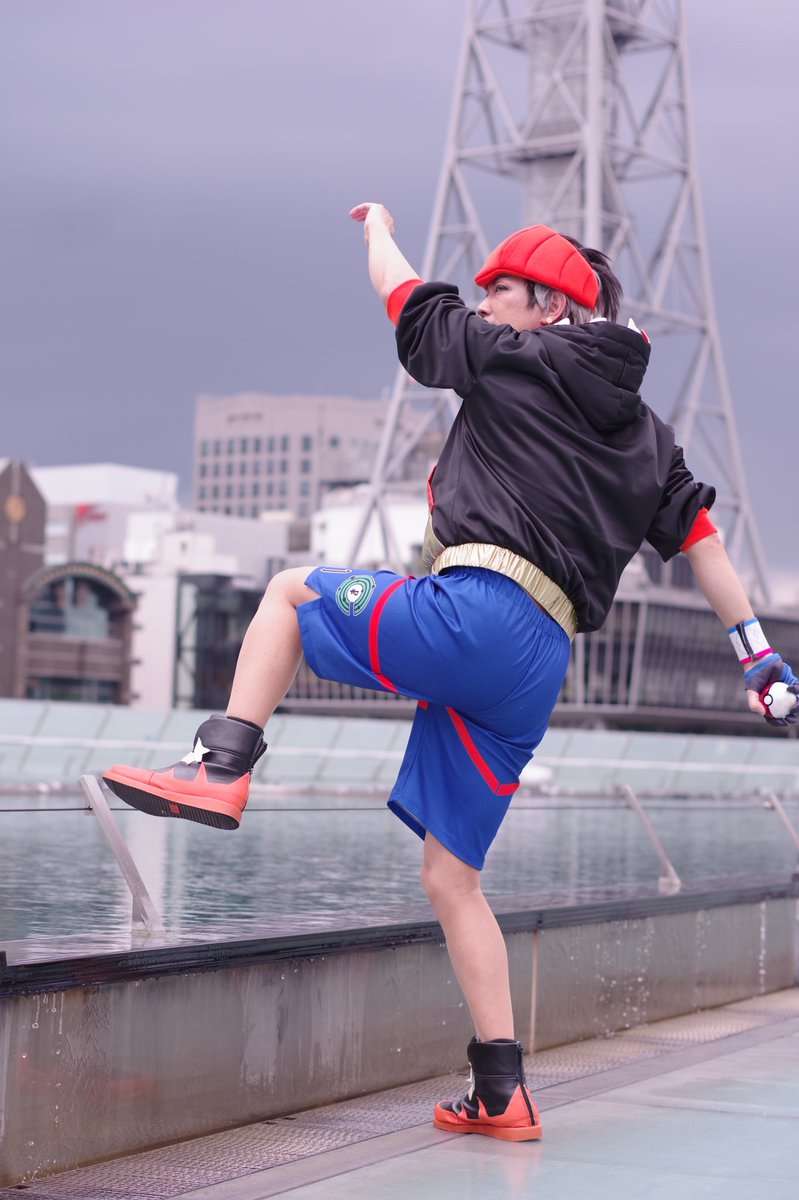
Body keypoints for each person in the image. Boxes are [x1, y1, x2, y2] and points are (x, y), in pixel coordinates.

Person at [104, 203, 798, 1142]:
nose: (485, 301)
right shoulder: (650, 437)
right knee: (451, 879)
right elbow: (702, 544)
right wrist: (756, 656)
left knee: (289, 594)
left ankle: (220, 768)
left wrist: (376, 231)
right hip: (536, 666)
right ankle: (501, 1090)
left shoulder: (514, 355)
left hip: (479, 609)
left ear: (550, 305)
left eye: (500, 288)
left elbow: (405, 297)